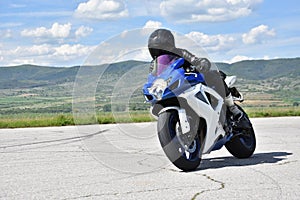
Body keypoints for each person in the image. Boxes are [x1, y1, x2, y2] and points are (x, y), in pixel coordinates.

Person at [147, 28, 243, 121]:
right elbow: (154, 76)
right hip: (174, 89)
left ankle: (231, 107)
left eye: (161, 48)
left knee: (214, 75)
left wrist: (201, 63)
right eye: (155, 49)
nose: (159, 52)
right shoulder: (155, 65)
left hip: (190, 80)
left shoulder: (180, 52)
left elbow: (194, 59)